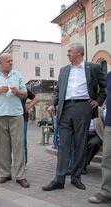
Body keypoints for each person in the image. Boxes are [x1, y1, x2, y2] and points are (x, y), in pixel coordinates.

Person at [42, 43, 106, 191]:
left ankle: (76, 177)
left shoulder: (93, 68)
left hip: (84, 107)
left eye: (70, 51)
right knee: (63, 144)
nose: (68, 53)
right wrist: (53, 103)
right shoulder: (64, 70)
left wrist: (98, 101)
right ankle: (59, 179)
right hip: (65, 108)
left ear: (78, 52)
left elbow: (104, 88)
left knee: (80, 143)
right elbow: (58, 91)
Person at [0, 53, 30, 188]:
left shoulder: (17, 75)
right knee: (2, 146)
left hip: (16, 114)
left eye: (12, 60)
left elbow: (25, 93)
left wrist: (17, 92)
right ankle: (5, 174)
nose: (11, 63)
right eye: (8, 61)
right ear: (1, 63)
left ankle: (20, 176)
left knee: (18, 145)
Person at [88, 71, 111, 204]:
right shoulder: (109, 76)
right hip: (109, 124)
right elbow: (106, 92)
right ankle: (106, 192)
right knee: (107, 158)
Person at [82, 107, 104, 174]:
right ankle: (73, 164)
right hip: (83, 133)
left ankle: (83, 165)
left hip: (96, 133)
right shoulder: (81, 107)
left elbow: (104, 120)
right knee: (79, 143)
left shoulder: (99, 109)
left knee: (94, 143)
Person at [21, 89, 39, 169]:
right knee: (9, 142)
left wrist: (27, 108)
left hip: (22, 117)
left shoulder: (23, 88)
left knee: (23, 141)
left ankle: (24, 163)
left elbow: (36, 98)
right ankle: (10, 161)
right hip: (11, 117)